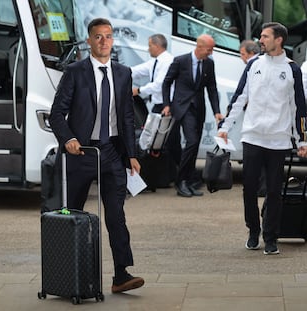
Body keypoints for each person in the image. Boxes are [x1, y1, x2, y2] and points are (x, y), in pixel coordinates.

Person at [49, 18, 145, 293]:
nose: (104, 42)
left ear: (113, 40)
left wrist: (131, 155)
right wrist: (68, 138)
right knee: (72, 215)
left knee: (116, 215)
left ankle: (121, 275)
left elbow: (126, 117)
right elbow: (57, 113)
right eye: (98, 37)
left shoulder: (123, 73)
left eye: (108, 36)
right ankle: (68, 276)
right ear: (89, 41)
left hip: (112, 152)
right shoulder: (75, 71)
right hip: (81, 152)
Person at [218, 22, 307, 255]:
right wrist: (225, 126)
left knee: (275, 191)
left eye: (265, 36)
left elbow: (299, 108)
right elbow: (239, 97)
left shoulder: (291, 69)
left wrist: (303, 140)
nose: (261, 40)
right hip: (252, 137)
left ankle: (271, 237)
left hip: (278, 140)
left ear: (278, 40)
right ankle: (253, 231)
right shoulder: (253, 64)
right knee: (249, 189)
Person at [162, 34, 223, 197]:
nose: (211, 53)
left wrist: (216, 111)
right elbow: (167, 82)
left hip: (198, 108)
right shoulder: (180, 61)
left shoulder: (209, 64)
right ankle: (181, 181)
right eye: (209, 49)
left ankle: (188, 181)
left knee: (194, 146)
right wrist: (167, 104)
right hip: (182, 107)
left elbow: (212, 88)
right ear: (200, 47)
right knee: (192, 141)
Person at [131, 34, 181, 168]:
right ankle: (166, 171)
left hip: (167, 105)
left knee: (170, 139)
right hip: (158, 105)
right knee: (155, 138)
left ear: (157, 46)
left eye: (150, 46)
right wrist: (119, 72)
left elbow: (159, 84)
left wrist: (139, 90)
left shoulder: (167, 61)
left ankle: (181, 173)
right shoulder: (155, 61)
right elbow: (138, 71)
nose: (148, 49)